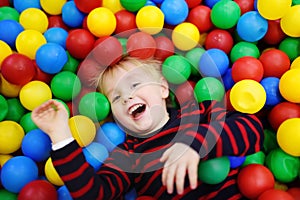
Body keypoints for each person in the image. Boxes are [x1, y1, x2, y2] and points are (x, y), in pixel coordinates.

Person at [31, 56, 264, 200]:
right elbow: (94, 194)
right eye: (116, 97)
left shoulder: (197, 113)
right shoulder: (128, 155)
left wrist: (194, 143)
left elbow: (252, 129)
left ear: (163, 89)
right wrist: (60, 134)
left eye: (135, 84)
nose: (127, 98)